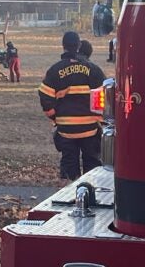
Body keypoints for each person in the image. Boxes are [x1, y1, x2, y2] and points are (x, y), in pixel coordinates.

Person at [39, 31, 106, 181]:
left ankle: (69, 195)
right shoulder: (93, 69)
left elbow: (45, 95)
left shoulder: (55, 70)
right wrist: (98, 118)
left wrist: (55, 117)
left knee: (69, 165)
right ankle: (91, 193)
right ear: (79, 45)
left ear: (63, 46)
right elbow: (105, 94)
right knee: (92, 165)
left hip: (66, 129)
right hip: (90, 128)